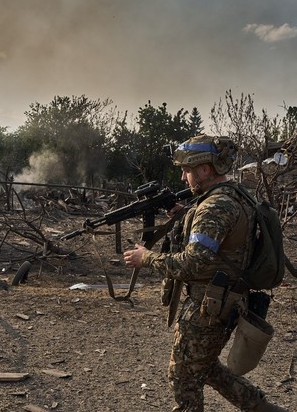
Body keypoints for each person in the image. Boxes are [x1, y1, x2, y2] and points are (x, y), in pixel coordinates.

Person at [123, 135, 287, 412]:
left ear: (205, 170)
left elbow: (193, 263)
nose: (185, 177)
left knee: (184, 376)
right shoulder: (232, 195)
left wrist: (147, 257)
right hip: (223, 299)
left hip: (208, 306)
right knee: (207, 367)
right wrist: (188, 214)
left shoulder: (215, 206)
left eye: (187, 170)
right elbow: (224, 238)